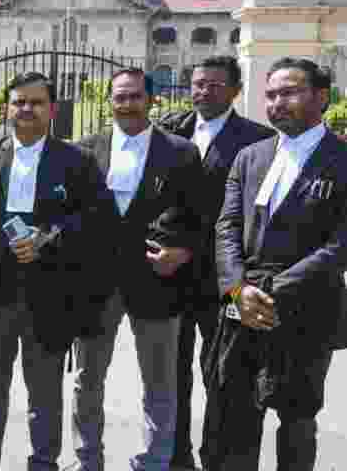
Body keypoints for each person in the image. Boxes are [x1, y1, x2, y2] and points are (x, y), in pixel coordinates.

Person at [0, 72, 110, 471]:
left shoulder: (77, 160)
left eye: (36, 102)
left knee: (44, 390)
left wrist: (49, 236)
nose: (27, 109)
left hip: (50, 295)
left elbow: (96, 220)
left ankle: (43, 462)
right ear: (7, 108)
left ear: (52, 109)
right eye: (19, 102)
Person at [202, 57, 347, 470]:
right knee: (234, 414)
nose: (277, 103)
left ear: (321, 97)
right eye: (270, 95)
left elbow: (340, 244)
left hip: (306, 306)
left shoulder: (341, 159)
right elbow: (227, 226)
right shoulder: (250, 157)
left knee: (296, 418)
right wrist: (237, 288)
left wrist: (272, 291)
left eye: (289, 93)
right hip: (242, 304)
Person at [69, 68, 205, 471]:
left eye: (134, 97)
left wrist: (184, 251)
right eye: (120, 97)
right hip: (96, 285)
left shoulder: (181, 152)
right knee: (87, 379)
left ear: (151, 100)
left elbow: (199, 216)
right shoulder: (85, 150)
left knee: (160, 382)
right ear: (109, 101)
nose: (127, 104)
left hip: (157, 281)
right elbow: (69, 213)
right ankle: (87, 459)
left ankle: (154, 461)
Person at [155, 56, 274, 470]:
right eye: (198, 84)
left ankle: (217, 457)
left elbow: (245, 215)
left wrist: (193, 248)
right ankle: (175, 457)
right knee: (171, 374)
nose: (203, 91)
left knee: (223, 374)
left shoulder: (258, 141)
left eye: (214, 85)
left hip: (223, 278)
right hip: (169, 276)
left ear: (236, 91)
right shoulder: (170, 130)